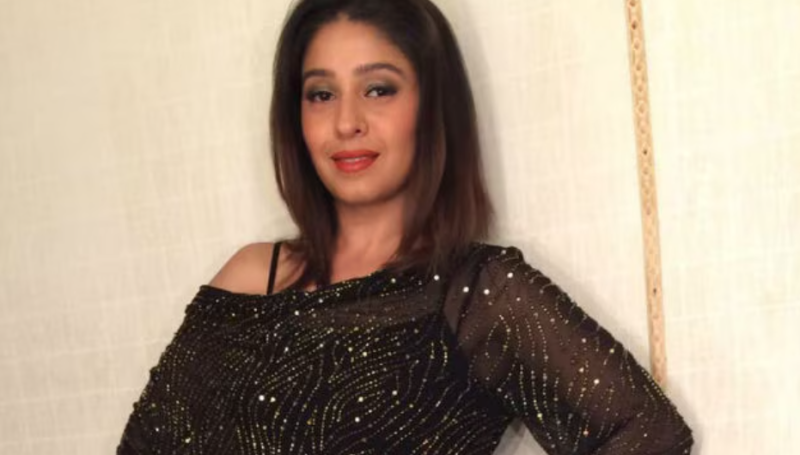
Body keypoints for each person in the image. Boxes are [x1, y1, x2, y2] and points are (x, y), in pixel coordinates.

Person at [117, 0, 694, 453]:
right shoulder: (249, 277)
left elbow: (647, 433)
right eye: (321, 94)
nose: (346, 121)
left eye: (378, 89)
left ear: (431, 106)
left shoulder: (477, 294)